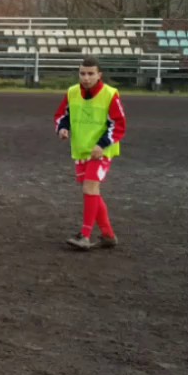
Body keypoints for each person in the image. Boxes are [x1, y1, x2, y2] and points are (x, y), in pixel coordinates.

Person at [54, 56, 126, 251]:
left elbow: (119, 124)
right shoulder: (72, 92)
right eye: (82, 73)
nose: (86, 78)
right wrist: (62, 128)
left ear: (99, 75)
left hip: (101, 151)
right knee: (92, 191)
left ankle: (84, 236)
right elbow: (63, 115)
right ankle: (108, 235)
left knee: (89, 187)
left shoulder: (110, 94)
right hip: (81, 150)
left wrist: (102, 144)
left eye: (91, 74)